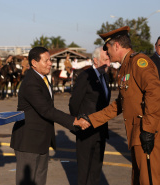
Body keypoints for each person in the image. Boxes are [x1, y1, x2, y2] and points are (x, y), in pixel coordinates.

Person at [82, 26, 160, 185]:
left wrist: (148, 130)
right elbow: (120, 104)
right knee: (139, 180)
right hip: (137, 135)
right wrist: (91, 120)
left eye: (107, 47)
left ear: (116, 45)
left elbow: (155, 92)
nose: (107, 52)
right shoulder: (125, 67)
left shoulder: (139, 62)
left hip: (146, 134)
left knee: (149, 180)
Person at [10, 46, 90, 185]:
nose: (50, 63)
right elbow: (46, 110)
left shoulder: (44, 79)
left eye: (50, 60)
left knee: (40, 180)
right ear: (34, 63)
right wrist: (74, 121)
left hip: (41, 140)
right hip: (28, 142)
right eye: (46, 60)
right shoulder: (30, 83)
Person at [69, 46, 111, 185]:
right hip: (86, 132)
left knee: (96, 172)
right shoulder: (85, 76)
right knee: (84, 173)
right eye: (105, 59)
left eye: (109, 59)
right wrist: (79, 122)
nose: (109, 63)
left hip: (101, 132)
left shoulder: (105, 76)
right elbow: (74, 103)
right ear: (95, 60)